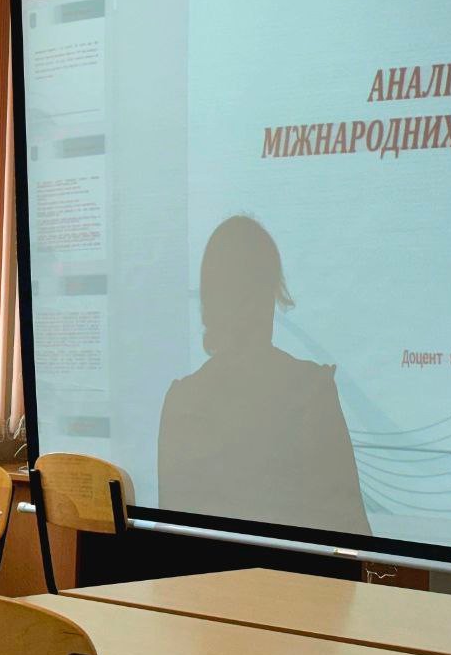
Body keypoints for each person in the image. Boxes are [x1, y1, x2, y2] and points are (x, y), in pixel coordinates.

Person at [157, 216, 370, 536]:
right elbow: (354, 532)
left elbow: (171, 540)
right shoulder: (311, 393)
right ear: (265, 297)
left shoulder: (181, 401)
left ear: (209, 300)